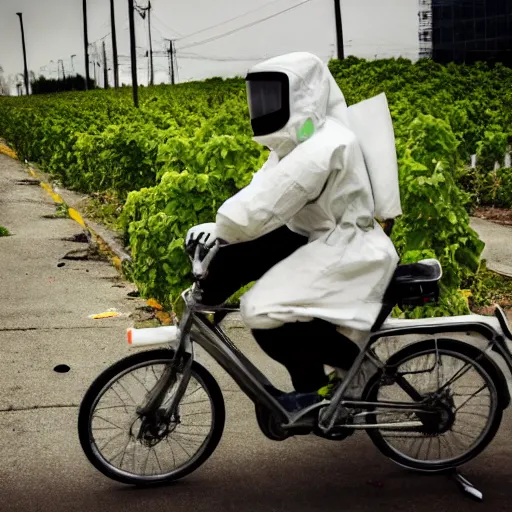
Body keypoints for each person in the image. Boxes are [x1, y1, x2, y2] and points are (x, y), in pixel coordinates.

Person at [186, 52, 400, 412]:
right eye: (259, 97)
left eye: (272, 96)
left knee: (264, 311)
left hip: (346, 247)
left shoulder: (326, 143)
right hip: (321, 241)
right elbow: (262, 189)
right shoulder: (298, 141)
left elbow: (265, 204)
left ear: (304, 95)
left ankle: (346, 372)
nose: (262, 106)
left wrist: (221, 228)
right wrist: (220, 228)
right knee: (267, 306)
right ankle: (315, 394)